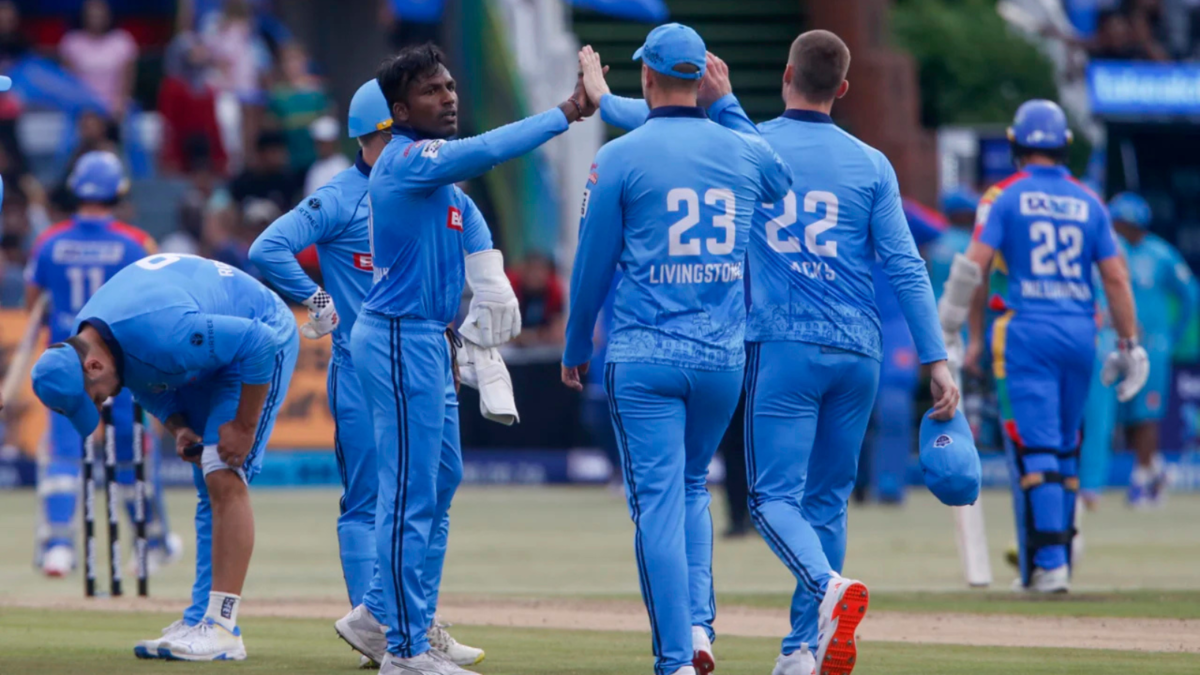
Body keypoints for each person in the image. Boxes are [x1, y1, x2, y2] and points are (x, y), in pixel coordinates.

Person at [590, 29, 955, 675]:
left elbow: (660, 121)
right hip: (860, 349)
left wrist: (601, 96)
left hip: (781, 344)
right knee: (828, 501)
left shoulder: (742, 143)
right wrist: (937, 358)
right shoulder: (872, 163)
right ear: (843, 88)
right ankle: (801, 648)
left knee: (769, 500)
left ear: (786, 75)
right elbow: (905, 265)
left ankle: (826, 588)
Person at [347, 42, 594, 675]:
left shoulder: (442, 187)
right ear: (401, 111)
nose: (449, 97)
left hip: (427, 339)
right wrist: (567, 111)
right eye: (432, 91)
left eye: (452, 86)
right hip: (397, 337)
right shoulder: (406, 160)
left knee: (440, 480)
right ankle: (404, 649)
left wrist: (490, 290)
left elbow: (473, 228)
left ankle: (380, 614)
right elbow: (486, 151)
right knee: (409, 495)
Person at [566, 25, 793, 675]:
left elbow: (592, 265)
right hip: (721, 360)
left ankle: (674, 659)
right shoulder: (741, 148)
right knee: (692, 487)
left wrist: (576, 343)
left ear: (647, 76)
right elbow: (781, 180)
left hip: (645, 356)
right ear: (703, 77)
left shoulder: (620, 156)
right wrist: (729, 105)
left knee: (658, 506)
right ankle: (697, 627)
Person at [249, 79, 483, 669]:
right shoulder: (341, 196)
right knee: (369, 500)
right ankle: (377, 629)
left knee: (438, 484)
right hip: (359, 366)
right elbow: (268, 247)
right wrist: (316, 298)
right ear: (386, 130)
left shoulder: (429, 187)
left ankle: (412, 620)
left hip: (421, 357)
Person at [27, 252, 298, 661]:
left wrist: (244, 426)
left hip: (259, 333)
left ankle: (222, 628)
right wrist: (178, 426)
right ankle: (201, 618)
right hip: (210, 341)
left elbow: (259, 341)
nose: (101, 404)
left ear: (93, 366)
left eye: (95, 398)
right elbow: (137, 378)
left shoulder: (162, 334)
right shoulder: (94, 341)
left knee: (223, 472)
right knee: (209, 479)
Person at [944, 99, 1147, 593]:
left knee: (1036, 448)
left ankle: (1051, 564)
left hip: (1024, 332)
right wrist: (1130, 344)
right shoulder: (1090, 201)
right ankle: (1053, 561)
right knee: (1064, 447)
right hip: (1081, 332)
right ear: (1064, 147)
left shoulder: (1004, 196)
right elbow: (1116, 278)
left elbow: (974, 265)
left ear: (1016, 144)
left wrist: (947, 327)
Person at [23, 151, 180, 578]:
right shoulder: (134, 243)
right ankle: (152, 542)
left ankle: (58, 547)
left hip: (65, 365)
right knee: (130, 454)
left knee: (63, 451)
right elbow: (154, 303)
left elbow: (33, 304)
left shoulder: (50, 242)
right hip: (119, 368)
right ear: (119, 192)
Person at [1107, 191, 1198, 508]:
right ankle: (1156, 471)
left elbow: (1190, 295)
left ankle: (1142, 480)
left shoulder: (1161, 254)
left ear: (1133, 224)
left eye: (1119, 223)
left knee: (1147, 414)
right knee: (1128, 414)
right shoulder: (1111, 251)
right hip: (1120, 346)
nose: (1115, 228)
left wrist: (1172, 336)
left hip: (1153, 349)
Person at [59, 0, 138, 119]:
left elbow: (128, 79)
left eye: (100, 14)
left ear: (108, 16)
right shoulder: (72, 41)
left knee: (130, 117)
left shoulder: (122, 40)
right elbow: (68, 81)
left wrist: (120, 103)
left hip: (116, 103)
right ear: (84, 16)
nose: (96, 18)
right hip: (82, 104)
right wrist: (85, 107)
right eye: (92, 14)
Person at [303, 116, 350, 195]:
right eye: (318, 143)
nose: (320, 147)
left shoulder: (341, 166)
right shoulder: (315, 166)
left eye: (323, 143)